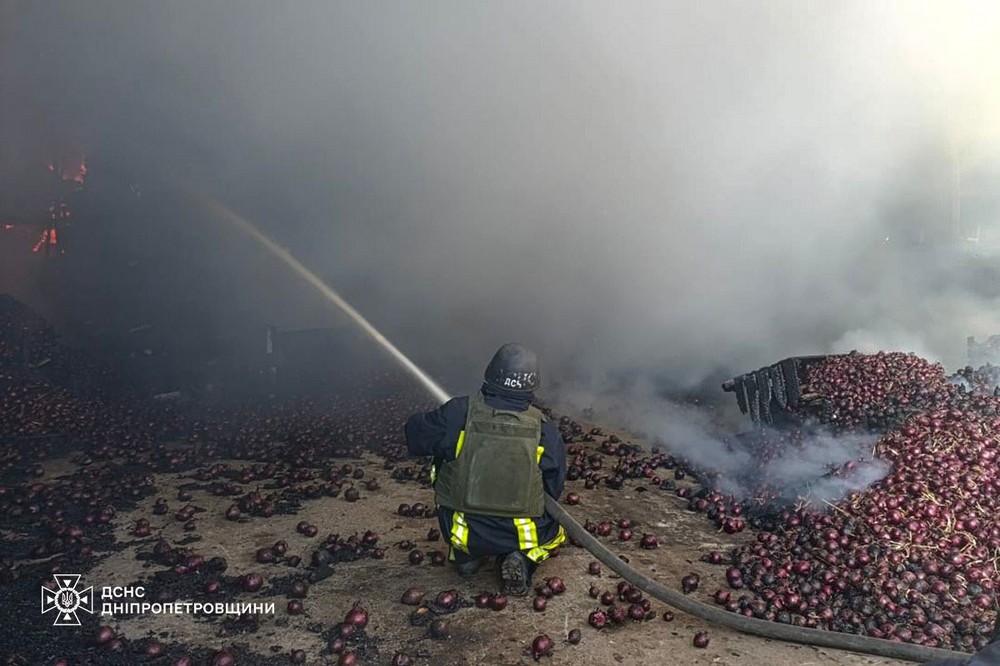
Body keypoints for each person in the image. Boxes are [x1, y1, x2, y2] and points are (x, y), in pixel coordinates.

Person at [404, 342, 567, 595]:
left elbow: (414, 437)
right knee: (556, 533)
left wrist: (436, 422)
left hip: (463, 529)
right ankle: (522, 558)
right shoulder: (546, 430)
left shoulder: (457, 412)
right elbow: (553, 489)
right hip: (520, 533)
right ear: (533, 385)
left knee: (443, 461)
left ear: (490, 374)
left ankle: (466, 557)